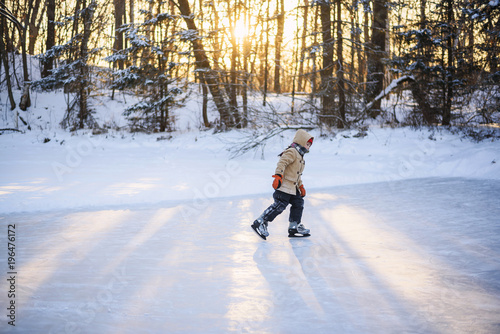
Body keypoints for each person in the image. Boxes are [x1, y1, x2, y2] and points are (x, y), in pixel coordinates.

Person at [251, 129, 314, 240]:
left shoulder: (301, 157)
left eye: (310, 145)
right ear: (301, 141)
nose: (308, 147)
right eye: (307, 144)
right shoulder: (292, 151)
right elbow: (282, 163)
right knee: (280, 205)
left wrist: (301, 186)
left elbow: (297, 175)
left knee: (299, 203)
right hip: (284, 187)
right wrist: (278, 176)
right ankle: (260, 222)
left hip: (293, 189)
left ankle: (294, 226)